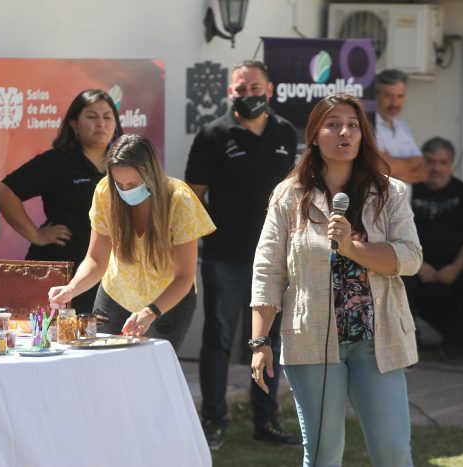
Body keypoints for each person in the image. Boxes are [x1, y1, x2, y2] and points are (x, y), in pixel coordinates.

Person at [250, 92, 421, 466]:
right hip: (312, 341)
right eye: (333, 125)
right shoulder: (289, 195)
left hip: (378, 340)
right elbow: (267, 269)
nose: (344, 133)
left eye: (353, 126)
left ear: (363, 136)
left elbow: (410, 258)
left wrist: (353, 249)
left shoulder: (389, 192)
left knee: (393, 451)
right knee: (325, 453)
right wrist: (260, 340)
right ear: (313, 135)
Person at [185, 59, 300, 449]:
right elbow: (192, 199)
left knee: (270, 340)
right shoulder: (212, 135)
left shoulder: (285, 131)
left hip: (276, 258)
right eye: (240, 89)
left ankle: (265, 421)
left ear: (269, 91)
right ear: (229, 91)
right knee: (219, 339)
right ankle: (214, 420)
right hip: (225, 257)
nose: (248, 95)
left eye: (255, 89)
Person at [48, 134, 215, 351]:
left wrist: (150, 311)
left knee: (154, 373)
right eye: (119, 183)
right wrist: (71, 289)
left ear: (151, 175)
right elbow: (96, 259)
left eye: (133, 183)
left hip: (167, 300)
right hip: (117, 293)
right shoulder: (105, 192)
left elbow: (184, 276)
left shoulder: (179, 199)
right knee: (103, 366)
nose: (125, 190)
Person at [0, 89, 123, 315]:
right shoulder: (57, 161)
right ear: (73, 124)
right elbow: (4, 192)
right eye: (92, 117)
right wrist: (36, 235)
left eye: (107, 117)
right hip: (61, 272)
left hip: (109, 275)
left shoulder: (124, 163)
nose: (100, 123)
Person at [403, 137, 463, 361]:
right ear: (423, 162)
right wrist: (418, 265)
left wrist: (456, 268)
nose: (437, 168)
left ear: (450, 164)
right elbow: (395, 235)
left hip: (454, 269)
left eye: (443, 162)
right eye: (431, 162)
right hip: (414, 266)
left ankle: (456, 345)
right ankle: (410, 343)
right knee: (397, 273)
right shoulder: (407, 192)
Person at [374, 68, 428, 184]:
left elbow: (424, 171)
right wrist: (409, 165)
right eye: (388, 96)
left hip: (405, 201)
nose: (395, 103)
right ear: (376, 94)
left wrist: (393, 165)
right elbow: (379, 166)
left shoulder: (403, 128)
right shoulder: (366, 126)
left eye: (400, 96)